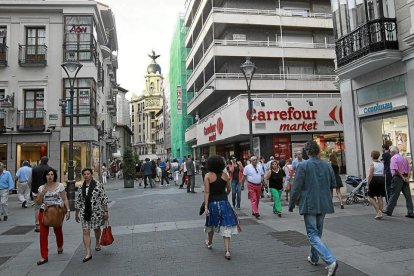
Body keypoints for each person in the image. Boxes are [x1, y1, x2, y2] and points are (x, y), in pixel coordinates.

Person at [289, 141, 338, 276]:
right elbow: (333, 184)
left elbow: (297, 187)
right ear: (318, 151)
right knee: (317, 233)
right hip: (323, 203)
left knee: (312, 234)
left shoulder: (303, 165)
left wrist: (292, 203)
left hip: (310, 202)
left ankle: (330, 260)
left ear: (307, 152)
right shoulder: (327, 165)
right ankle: (314, 257)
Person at [203, 155, 239, 260]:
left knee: (211, 224)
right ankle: (227, 250)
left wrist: (206, 206)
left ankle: (209, 243)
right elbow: (229, 189)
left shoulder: (208, 176)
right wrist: (224, 196)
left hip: (212, 203)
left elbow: (206, 192)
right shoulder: (225, 175)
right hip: (224, 202)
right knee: (226, 225)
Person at [35, 168, 70, 266]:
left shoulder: (60, 186)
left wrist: (68, 210)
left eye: (51, 174)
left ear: (54, 176)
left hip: (57, 212)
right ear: (45, 176)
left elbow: (65, 198)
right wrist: (42, 193)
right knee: (43, 235)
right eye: (48, 175)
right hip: (44, 212)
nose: (50, 176)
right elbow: (37, 202)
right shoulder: (42, 188)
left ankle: (60, 246)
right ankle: (44, 257)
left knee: (58, 231)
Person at [75, 168, 109, 263]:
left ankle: (97, 242)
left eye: (88, 174)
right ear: (83, 176)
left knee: (96, 228)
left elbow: (103, 198)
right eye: (84, 174)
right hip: (84, 213)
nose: (86, 175)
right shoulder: (81, 187)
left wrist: (106, 211)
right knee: (85, 231)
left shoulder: (98, 185)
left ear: (91, 175)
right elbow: (78, 201)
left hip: (96, 212)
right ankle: (88, 253)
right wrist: (77, 213)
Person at [384, 146, 414, 218]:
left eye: (390, 152)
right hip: (405, 177)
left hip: (398, 178)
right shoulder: (404, 158)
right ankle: (410, 212)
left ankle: (389, 210)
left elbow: (395, 169)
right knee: (408, 195)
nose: (390, 153)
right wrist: (407, 177)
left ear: (393, 152)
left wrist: (402, 177)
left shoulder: (394, 158)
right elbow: (409, 168)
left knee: (394, 194)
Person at [31, 156, 51, 232]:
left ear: (40, 161)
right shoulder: (50, 169)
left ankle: (38, 224)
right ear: (47, 161)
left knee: (37, 208)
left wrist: (32, 188)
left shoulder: (35, 169)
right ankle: (46, 222)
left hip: (36, 191)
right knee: (47, 207)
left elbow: (30, 180)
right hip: (47, 191)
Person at [367, 150, 386, 219]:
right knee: (379, 196)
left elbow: (370, 175)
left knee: (370, 196)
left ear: (372, 156)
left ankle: (378, 212)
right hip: (381, 179)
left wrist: (368, 183)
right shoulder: (382, 164)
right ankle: (380, 212)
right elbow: (383, 173)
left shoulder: (372, 164)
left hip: (375, 179)